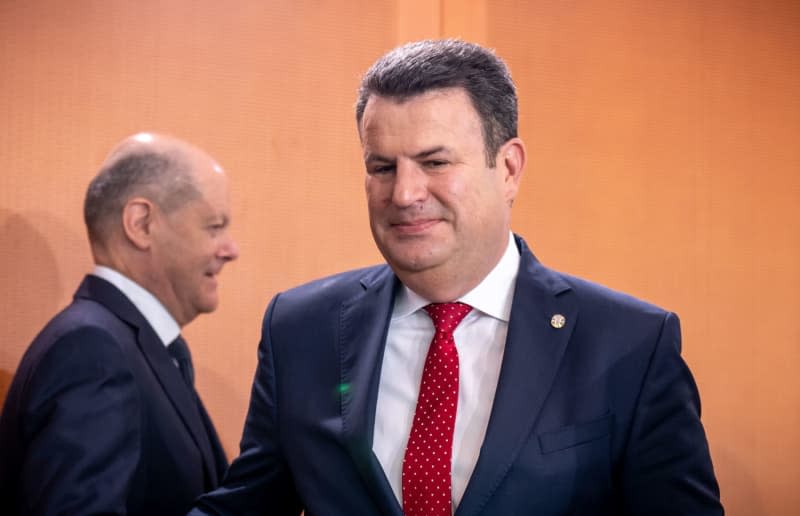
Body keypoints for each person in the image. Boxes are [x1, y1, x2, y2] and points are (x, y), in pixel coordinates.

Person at [192, 40, 722, 515]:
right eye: (382, 167)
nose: (404, 194)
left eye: (435, 162)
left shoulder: (630, 344)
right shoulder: (300, 329)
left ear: (509, 168)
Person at [0, 133, 239, 515]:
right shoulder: (92, 352)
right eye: (214, 226)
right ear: (141, 224)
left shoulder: (118, 345)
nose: (231, 250)